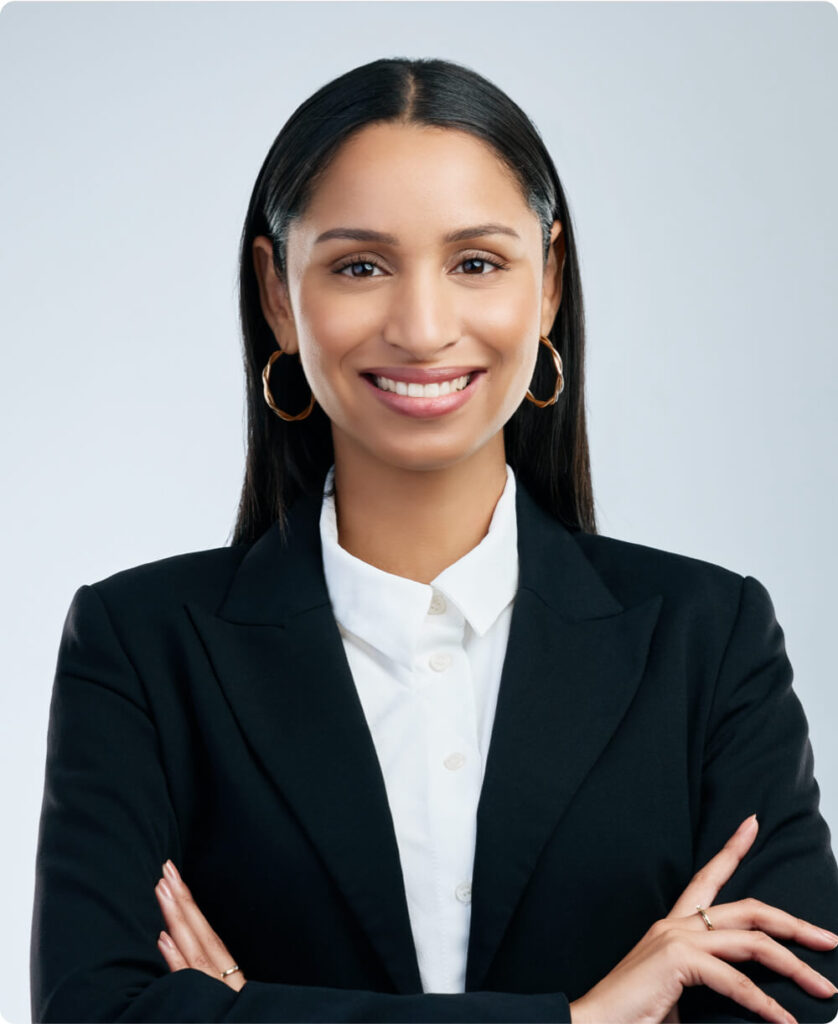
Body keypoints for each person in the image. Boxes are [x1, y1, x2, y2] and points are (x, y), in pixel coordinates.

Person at [29, 56, 838, 1024]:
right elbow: (97, 1011)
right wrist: (584, 1019)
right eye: (360, 266)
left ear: (548, 282)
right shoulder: (139, 642)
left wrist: (248, 1011)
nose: (421, 328)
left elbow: (787, 998)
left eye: (476, 263)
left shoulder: (707, 635)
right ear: (278, 293)